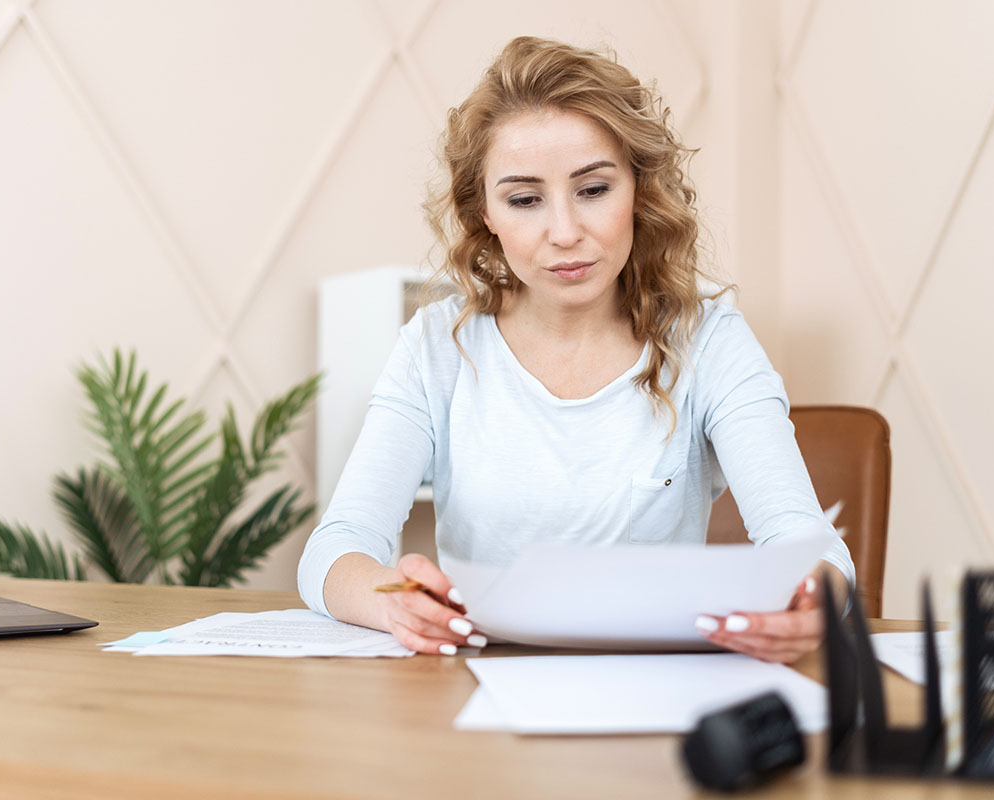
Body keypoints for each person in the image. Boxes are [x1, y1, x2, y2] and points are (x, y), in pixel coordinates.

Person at [298, 36, 853, 664]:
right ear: (485, 214)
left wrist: (812, 607)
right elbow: (335, 548)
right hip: (471, 690)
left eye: (593, 190)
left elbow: (813, 548)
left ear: (637, 193)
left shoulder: (710, 338)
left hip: (658, 688)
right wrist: (391, 602)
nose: (565, 233)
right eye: (525, 199)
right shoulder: (436, 345)